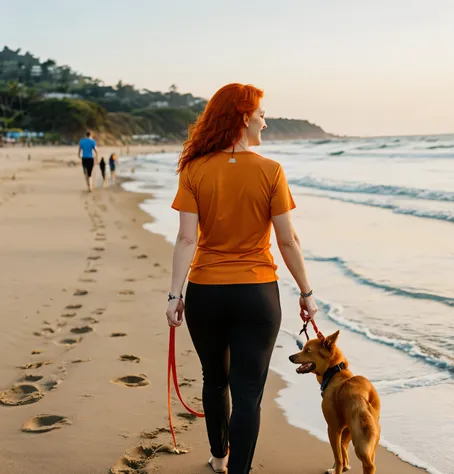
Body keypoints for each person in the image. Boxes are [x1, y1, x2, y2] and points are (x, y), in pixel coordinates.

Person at [166, 83, 318, 474]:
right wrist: (306, 292)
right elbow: (287, 240)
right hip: (257, 295)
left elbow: (186, 238)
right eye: (262, 114)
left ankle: (219, 459)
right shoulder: (271, 171)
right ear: (244, 117)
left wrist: (174, 295)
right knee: (248, 393)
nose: (265, 122)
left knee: (215, 380)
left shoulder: (194, 168)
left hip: (206, 293)